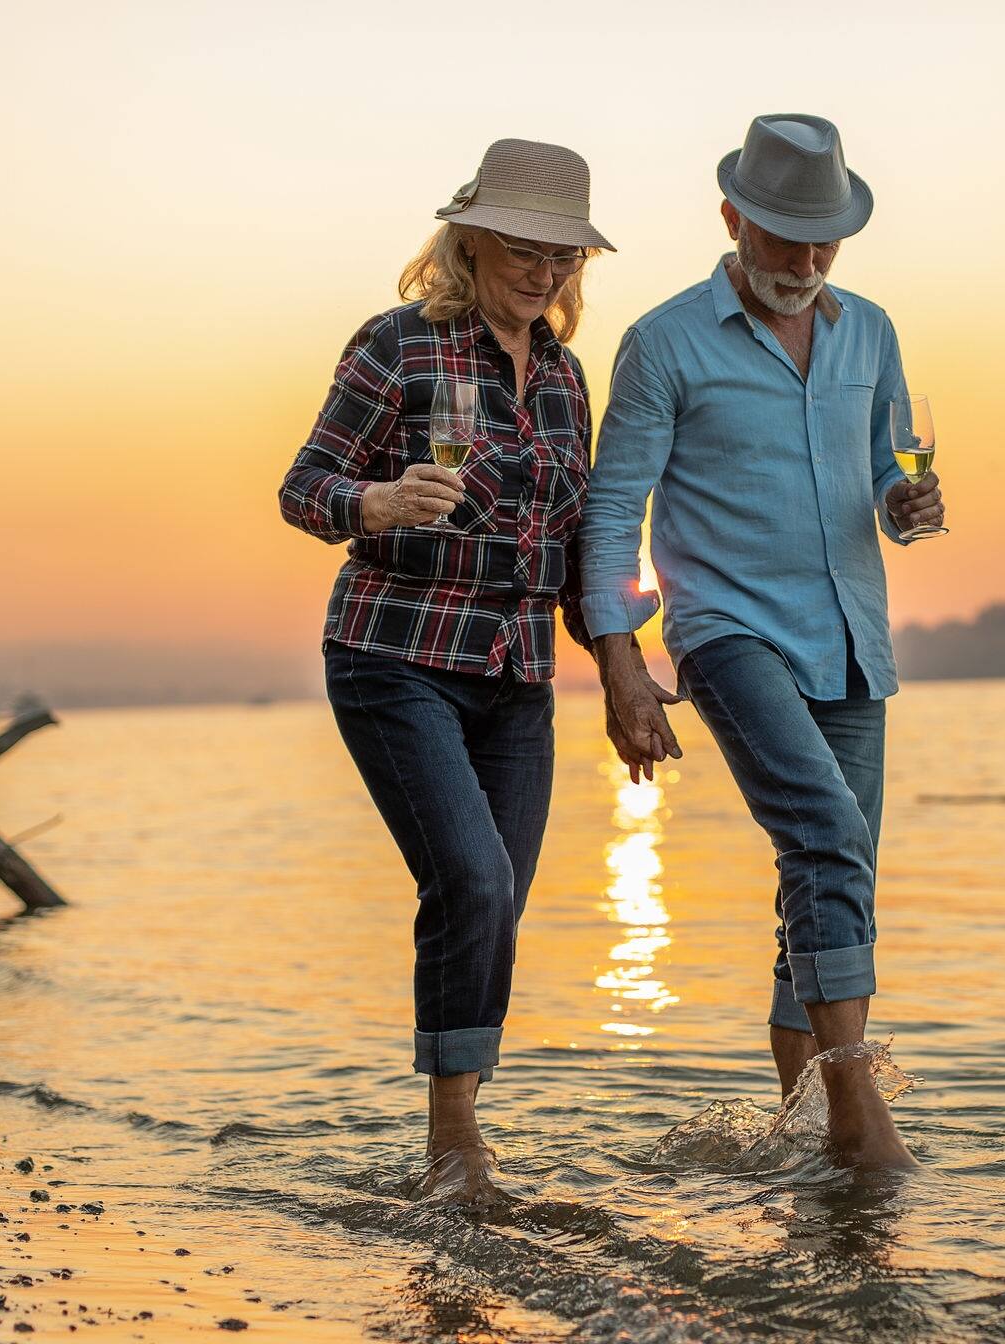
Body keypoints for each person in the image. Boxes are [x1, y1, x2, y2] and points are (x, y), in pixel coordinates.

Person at [577, 114, 944, 1169]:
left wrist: (902, 502)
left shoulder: (871, 332)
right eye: (785, 237)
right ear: (732, 218)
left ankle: (799, 1128)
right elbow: (614, 509)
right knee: (827, 835)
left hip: (850, 636)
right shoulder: (664, 342)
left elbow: (886, 466)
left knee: (828, 865)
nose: (807, 261)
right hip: (728, 631)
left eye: (825, 241)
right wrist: (620, 661)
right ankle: (858, 1112)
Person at [278, 138, 616, 1204]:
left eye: (563, 256)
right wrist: (374, 503)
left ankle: (463, 1136)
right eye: (525, 250)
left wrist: (623, 664)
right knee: (468, 878)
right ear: (469, 241)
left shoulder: (563, 379)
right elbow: (304, 486)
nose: (545, 272)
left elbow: (568, 546)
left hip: (517, 677)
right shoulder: (399, 344)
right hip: (395, 657)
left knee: (497, 900)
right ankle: (453, 1145)